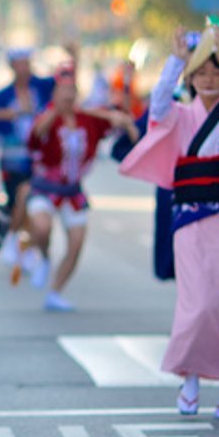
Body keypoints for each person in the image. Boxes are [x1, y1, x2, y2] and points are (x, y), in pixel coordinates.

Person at [119, 23, 219, 419]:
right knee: (196, 303)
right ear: (191, 76)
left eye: (216, 72)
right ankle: (189, 379)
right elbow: (157, 107)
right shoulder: (181, 115)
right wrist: (175, 61)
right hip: (188, 218)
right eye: (201, 72)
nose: (209, 78)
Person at [20, 68, 138, 310]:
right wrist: (55, 113)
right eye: (62, 91)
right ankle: (43, 258)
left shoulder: (88, 118)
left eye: (71, 91)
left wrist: (122, 106)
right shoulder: (46, 117)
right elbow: (35, 136)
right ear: (55, 94)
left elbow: (118, 119)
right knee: (41, 227)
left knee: (76, 243)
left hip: (73, 191)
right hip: (46, 187)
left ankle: (55, 292)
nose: (67, 95)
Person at [0, 48, 55, 280]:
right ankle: (20, 242)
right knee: (18, 201)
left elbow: (66, 89)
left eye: (27, 63)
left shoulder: (42, 87)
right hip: (12, 159)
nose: (24, 68)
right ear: (12, 66)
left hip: (40, 160)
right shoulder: (4, 95)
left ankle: (21, 242)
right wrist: (8, 114)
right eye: (19, 64)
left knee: (31, 199)